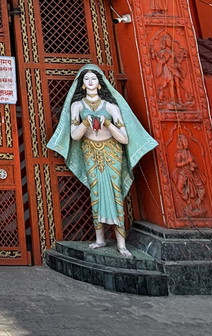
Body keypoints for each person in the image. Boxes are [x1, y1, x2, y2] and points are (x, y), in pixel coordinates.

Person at [47, 64, 156, 257]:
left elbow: (124, 138)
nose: (90, 82)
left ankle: (121, 243)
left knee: (115, 192)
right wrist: (84, 123)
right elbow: (74, 136)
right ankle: (100, 238)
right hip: (90, 151)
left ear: (100, 83)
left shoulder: (111, 106)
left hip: (112, 151)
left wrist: (107, 124)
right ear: (81, 84)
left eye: (93, 78)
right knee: (96, 191)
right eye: (86, 79)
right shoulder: (77, 106)